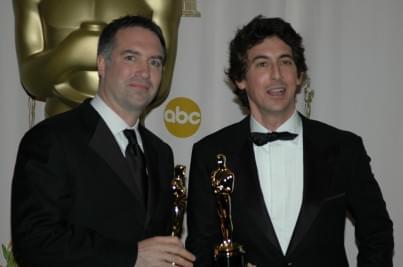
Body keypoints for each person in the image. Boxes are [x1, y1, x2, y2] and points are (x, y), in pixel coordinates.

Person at [186, 15, 394, 266]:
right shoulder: (210, 153)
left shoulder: (343, 147)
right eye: (262, 64)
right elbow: (200, 243)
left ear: (299, 76)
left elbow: (377, 233)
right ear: (240, 80)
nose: (276, 75)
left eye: (285, 62)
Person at [11, 15, 195, 267]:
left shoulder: (160, 152)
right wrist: (131, 256)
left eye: (155, 62)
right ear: (102, 64)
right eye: (131, 57)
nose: (144, 71)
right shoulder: (52, 138)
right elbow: (34, 242)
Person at [13, 0, 181, 117]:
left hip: (125, 137)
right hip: (59, 129)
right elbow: (32, 81)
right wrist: (74, 51)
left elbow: (160, 82)